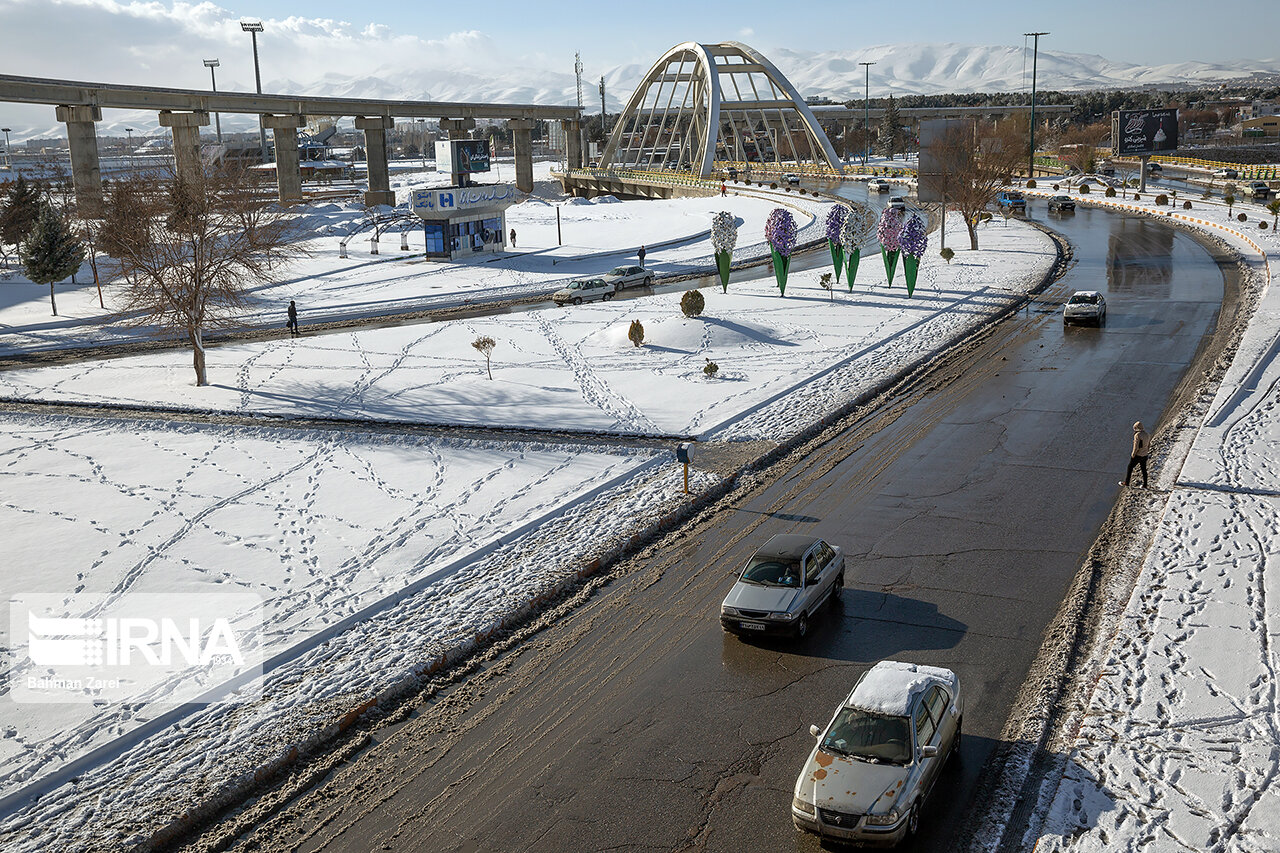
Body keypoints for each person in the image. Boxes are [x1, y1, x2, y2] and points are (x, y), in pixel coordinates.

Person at [1121, 421, 1151, 488]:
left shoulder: (1137, 435)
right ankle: (1145, 484)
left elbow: (1136, 446)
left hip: (1138, 455)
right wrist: (1146, 452)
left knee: (1130, 467)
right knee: (1144, 469)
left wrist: (1133, 454)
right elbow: (1149, 445)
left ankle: (1127, 482)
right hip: (1145, 454)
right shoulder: (1147, 434)